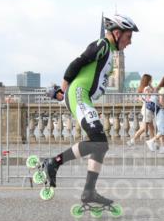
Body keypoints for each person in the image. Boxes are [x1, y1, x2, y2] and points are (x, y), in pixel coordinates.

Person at [39, 15, 138, 208]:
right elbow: (77, 63)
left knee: (101, 145)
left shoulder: (109, 51)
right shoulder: (102, 45)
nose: (130, 42)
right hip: (79, 95)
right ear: (117, 33)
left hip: (82, 97)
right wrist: (64, 91)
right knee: (99, 141)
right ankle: (53, 163)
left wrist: (61, 96)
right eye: (128, 37)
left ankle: (89, 191)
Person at [128, 74, 156, 148]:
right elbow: (149, 99)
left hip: (146, 108)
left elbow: (142, 98)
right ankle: (132, 140)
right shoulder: (147, 88)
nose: (152, 80)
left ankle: (153, 142)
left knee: (151, 127)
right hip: (148, 109)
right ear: (148, 80)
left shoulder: (143, 88)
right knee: (144, 128)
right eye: (151, 79)